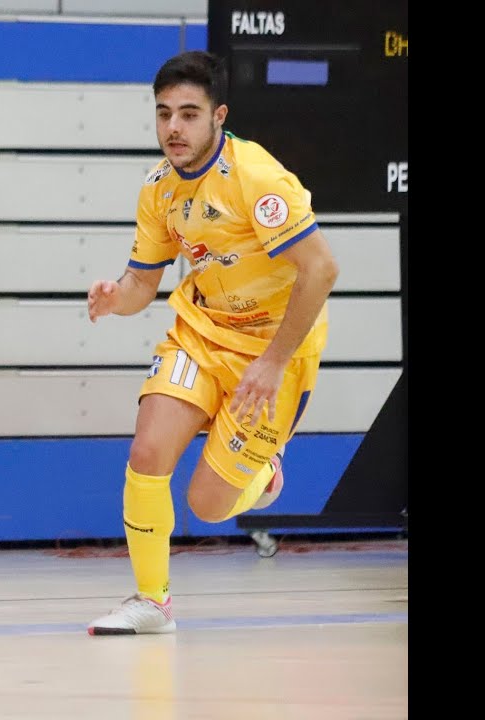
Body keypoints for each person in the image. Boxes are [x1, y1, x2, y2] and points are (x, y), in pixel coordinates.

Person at [84, 50, 339, 635]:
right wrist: (113, 297)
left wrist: (273, 363)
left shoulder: (258, 178)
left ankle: (264, 473)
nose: (173, 128)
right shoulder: (157, 189)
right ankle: (153, 603)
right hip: (199, 335)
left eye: (189, 114)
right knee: (147, 455)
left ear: (218, 116)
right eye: (164, 113)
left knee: (208, 504)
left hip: (274, 353)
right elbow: (143, 283)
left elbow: (321, 269)